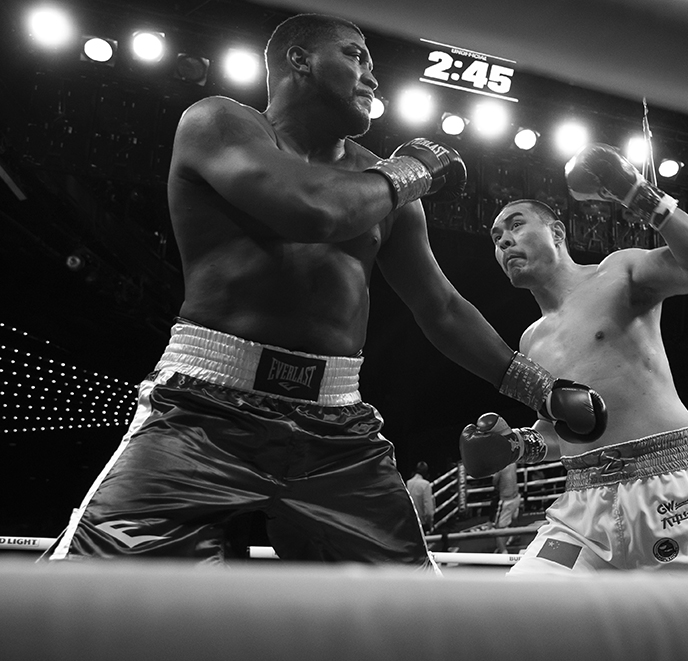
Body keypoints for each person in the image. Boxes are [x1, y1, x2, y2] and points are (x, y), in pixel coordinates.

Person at [43, 13, 604, 565]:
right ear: (301, 60)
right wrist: (411, 172)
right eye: (355, 57)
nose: (373, 77)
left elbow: (441, 308)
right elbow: (312, 210)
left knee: (406, 607)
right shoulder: (218, 122)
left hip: (336, 425)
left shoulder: (384, 186)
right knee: (97, 592)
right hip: (204, 406)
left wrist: (540, 391)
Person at [459, 142, 688, 575]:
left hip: (672, 489)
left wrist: (636, 192)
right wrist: (515, 445)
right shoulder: (531, 339)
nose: (504, 240)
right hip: (583, 510)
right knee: (521, 607)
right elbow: (558, 430)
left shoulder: (617, 272)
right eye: (496, 238)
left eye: (516, 225)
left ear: (557, 232)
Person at [492, 462, 522, 553]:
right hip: (516, 497)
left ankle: (503, 552)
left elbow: (494, 482)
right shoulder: (513, 462)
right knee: (514, 518)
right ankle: (515, 536)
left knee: (498, 528)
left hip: (507, 500)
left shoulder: (500, 467)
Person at [406, 461, 434, 532]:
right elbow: (428, 511)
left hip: (410, 522)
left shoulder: (408, 483)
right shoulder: (425, 485)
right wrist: (429, 524)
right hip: (421, 523)